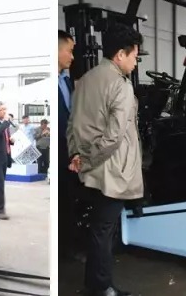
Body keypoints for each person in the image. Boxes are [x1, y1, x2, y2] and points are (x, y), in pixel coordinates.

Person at [68, 24, 144, 296]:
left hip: (91, 170)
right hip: (113, 170)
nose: (135, 62)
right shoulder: (120, 85)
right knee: (103, 230)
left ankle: (94, 283)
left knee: (98, 227)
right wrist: (87, 160)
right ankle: (101, 287)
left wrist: (76, 155)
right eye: (135, 56)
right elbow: (114, 137)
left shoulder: (85, 80)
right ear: (120, 54)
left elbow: (72, 124)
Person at [58, 30, 77, 260]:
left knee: (67, 200)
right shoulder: (55, 82)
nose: (72, 57)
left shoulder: (66, 81)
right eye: (69, 51)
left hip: (69, 151)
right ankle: (64, 250)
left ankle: (67, 248)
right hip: (61, 151)